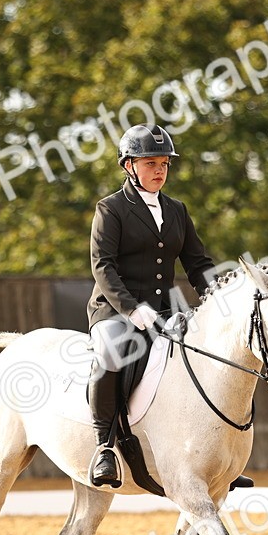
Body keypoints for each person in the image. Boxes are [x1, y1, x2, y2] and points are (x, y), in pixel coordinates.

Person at [85, 124, 251, 490]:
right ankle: (104, 446)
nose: (160, 170)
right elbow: (103, 266)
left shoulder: (176, 210)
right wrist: (130, 309)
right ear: (129, 165)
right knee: (112, 351)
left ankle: (216, 457)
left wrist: (217, 299)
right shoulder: (110, 209)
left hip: (164, 310)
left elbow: (197, 263)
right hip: (114, 309)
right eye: (150, 163)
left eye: (164, 163)